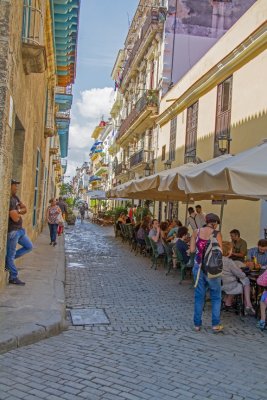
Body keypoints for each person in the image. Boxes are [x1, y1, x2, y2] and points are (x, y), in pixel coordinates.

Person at [190, 213, 223, 333]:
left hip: (198, 268)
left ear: (206, 221)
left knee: (199, 297)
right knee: (216, 297)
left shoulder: (196, 231)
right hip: (212, 270)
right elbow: (220, 252)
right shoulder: (217, 234)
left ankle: (197, 325)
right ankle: (215, 325)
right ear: (215, 223)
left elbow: (192, 250)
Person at [5, 179, 33, 285]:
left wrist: (18, 211)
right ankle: (13, 276)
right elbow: (15, 218)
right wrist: (19, 211)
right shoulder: (10, 200)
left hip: (20, 230)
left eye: (17, 185)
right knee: (11, 255)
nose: (17, 187)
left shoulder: (16, 197)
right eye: (15, 185)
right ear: (10, 186)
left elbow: (25, 209)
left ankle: (7, 262)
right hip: (13, 231)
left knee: (29, 246)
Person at [221, 242, 255, 315]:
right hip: (230, 286)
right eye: (231, 250)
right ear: (228, 251)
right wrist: (242, 271)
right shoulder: (229, 262)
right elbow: (241, 275)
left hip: (220, 284)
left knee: (240, 280)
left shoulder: (218, 260)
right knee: (246, 280)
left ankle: (227, 302)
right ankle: (248, 304)